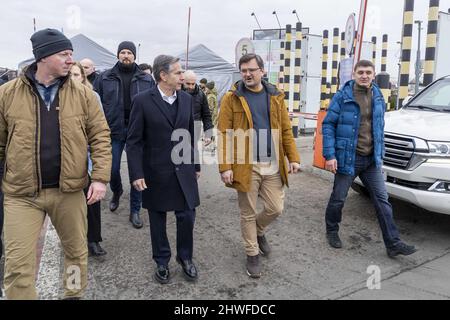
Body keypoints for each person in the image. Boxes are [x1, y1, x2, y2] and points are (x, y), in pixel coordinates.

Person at [0, 28, 111, 300]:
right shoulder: (7, 94)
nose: (70, 59)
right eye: (64, 53)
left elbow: (100, 136)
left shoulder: (83, 95)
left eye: (71, 53)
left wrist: (99, 177)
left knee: (75, 254)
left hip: (70, 191)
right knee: (17, 266)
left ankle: (73, 295)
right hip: (22, 195)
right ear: (43, 57)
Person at [322, 59, 417, 258]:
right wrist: (330, 155)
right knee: (339, 198)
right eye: (361, 72)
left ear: (373, 75)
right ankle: (332, 231)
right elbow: (328, 125)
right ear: (354, 75)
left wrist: (379, 153)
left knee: (383, 200)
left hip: (371, 159)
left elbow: (379, 127)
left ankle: (393, 243)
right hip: (348, 157)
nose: (364, 75)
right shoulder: (343, 96)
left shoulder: (378, 96)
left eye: (368, 72)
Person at [217, 53, 301, 278]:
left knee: (276, 208)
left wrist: (293, 157)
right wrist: (225, 167)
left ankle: (259, 230)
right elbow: (223, 134)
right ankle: (252, 253)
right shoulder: (231, 98)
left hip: (272, 163)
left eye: (251, 70)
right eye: (243, 70)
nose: (247, 74)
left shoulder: (275, 96)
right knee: (247, 212)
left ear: (262, 71)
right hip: (245, 164)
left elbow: (285, 129)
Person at [127, 55, 200, 284]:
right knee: (157, 217)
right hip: (155, 170)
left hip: (184, 168)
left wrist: (195, 164)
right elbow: (134, 141)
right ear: (163, 76)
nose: (182, 76)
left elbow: (190, 135)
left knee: (187, 215)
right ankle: (161, 261)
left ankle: (185, 257)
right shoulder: (142, 101)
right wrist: (136, 173)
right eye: (178, 73)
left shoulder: (187, 100)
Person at [94, 41, 154, 229]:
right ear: (118, 55)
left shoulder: (146, 80)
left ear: (135, 56)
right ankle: (117, 191)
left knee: (137, 172)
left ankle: (135, 210)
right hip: (113, 130)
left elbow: (153, 105)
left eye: (129, 52)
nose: (126, 55)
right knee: (111, 169)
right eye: (123, 52)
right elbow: (95, 105)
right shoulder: (105, 78)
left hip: (138, 132)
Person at [70, 62, 107, 257]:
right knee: (69, 205)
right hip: (65, 162)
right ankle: (73, 240)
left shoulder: (93, 97)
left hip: (87, 158)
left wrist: (96, 164)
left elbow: (99, 131)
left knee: (91, 200)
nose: (73, 78)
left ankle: (93, 240)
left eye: (77, 75)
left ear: (83, 78)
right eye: (70, 74)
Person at [183, 70, 213, 146]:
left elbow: (206, 116)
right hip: (178, 133)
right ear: (183, 81)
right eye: (188, 84)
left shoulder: (201, 95)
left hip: (195, 132)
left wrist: (208, 134)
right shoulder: (176, 93)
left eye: (193, 84)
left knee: (192, 155)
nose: (191, 86)